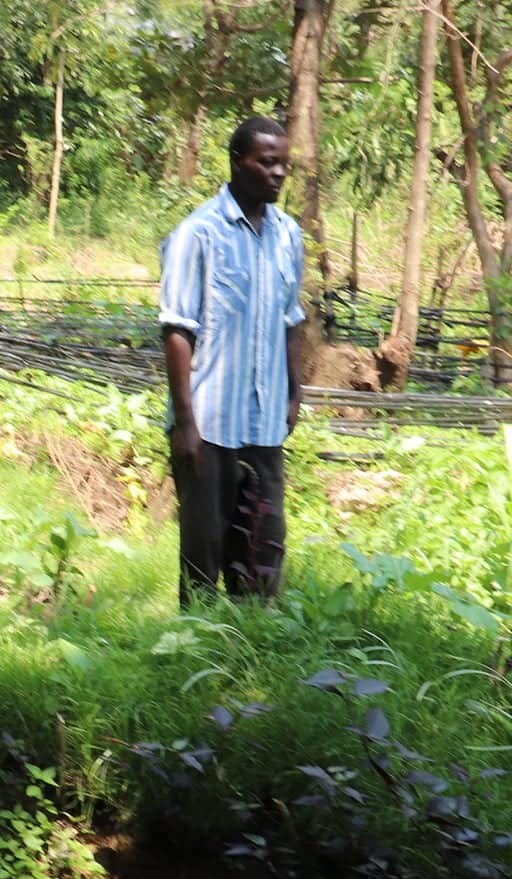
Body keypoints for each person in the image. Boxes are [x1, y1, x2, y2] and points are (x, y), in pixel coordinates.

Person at [159, 115, 308, 605]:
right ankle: (199, 639)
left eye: (283, 164)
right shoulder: (198, 234)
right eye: (266, 162)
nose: (278, 173)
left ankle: (255, 638)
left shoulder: (288, 236)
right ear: (237, 162)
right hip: (209, 426)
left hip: (264, 424)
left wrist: (294, 394)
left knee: (263, 552)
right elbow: (177, 331)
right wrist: (185, 423)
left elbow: (291, 320)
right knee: (203, 553)